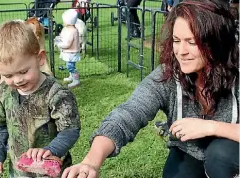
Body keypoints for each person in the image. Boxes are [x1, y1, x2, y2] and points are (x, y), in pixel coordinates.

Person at [62, 0, 239, 177]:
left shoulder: (236, 73)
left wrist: (212, 127)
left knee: (220, 155)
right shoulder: (169, 75)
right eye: (177, 40)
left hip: (232, 148)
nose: (181, 51)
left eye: (192, 42)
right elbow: (129, 113)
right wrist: (91, 162)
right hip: (189, 151)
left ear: (216, 42)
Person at [0, 20, 81, 177]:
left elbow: (70, 130)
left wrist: (50, 150)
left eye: (23, 72)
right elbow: (1, 126)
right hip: (18, 173)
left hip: (52, 173)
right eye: (8, 75)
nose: (17, 80)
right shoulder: (3, 92)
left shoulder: (57, 94)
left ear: (40, 59)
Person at [54, 9, 81, 88]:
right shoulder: (66, 29)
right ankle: (71, 76)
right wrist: (58, 39)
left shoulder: (73, 31)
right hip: (68, 52)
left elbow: (67, 44)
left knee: (71, 66)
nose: (63, 22)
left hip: (71, 52)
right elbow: (62, 36)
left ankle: (76, 80)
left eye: (64, 21)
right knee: (69, 65)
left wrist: (59, 44)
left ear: (69, 21)